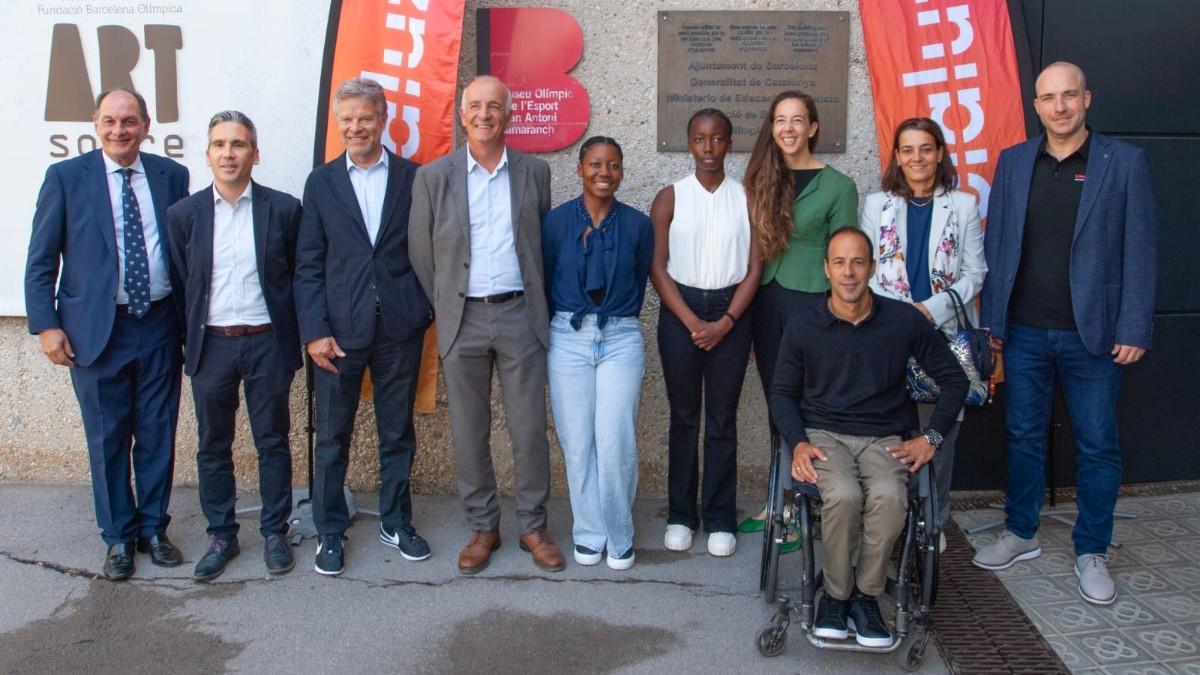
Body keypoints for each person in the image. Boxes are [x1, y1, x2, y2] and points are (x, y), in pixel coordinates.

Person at [973, 62, 1158, 606]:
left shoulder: (1124, 163)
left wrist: (1134, 326)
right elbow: (999, 243)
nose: (1060, 107)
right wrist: (994, 320)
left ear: (1087, 99)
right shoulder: (1014, 162)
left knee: (1097, 444)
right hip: (1024, 331)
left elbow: (1141, 249)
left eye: (1069, 95)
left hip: (1093, 336)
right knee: (1022, 435)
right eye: (1049, 98)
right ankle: (1021, 532)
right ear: (1036, 105)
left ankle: (1092, 549)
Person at [770, 227, 968, 647]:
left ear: (872, 268)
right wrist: (798, 441)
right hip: (824, 433)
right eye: (840, 263)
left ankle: (865, 597)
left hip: (884, 437)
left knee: (891, 498)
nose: (849, 272)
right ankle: (835, 598)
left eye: (858, 262)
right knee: (843, 496)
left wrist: (931, 437)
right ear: (826, 269)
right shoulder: (804, 324)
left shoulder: (903, 320)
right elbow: (782, 393)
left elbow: (955, 380)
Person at [25, 88, 189, 580]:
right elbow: (40, 260)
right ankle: (118, 536)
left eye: (130, 121)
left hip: (159, 323)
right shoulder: (65, 178)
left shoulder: (171, 175)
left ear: (146, 126)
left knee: (157, 433)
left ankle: (153, 529)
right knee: (107, 437)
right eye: (111, 121)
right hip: (96, 331)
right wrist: (47, 325)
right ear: (96, 124)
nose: (120, 130)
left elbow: (184, 251)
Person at [409, 75, 562, 574]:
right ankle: (483, 526)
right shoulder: (434, 177)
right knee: (468, 431)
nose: (484, 114)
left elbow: (540, 243)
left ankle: (533, 526)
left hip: (521, 314)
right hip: (463, 318)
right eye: (474, 106)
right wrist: (445, 306)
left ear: (508, 115)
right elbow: (421, 251)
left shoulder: (535, 172)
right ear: (461, 115)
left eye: (494, 106)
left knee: (529, 430)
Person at [294, 78, 432, 576]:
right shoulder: (321, 183)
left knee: (397, 433)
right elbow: (308, 264)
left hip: (400, 329)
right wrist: (314, 331)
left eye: (365, 118)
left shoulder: (414, 178)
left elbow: (430, 250)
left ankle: (396, 521)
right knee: (332, 437)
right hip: (337, 334)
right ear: (338, 123)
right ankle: (330, 530)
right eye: (347, 119)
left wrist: (423, 310)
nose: (356, 127)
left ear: (383, 119)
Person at [166, 111, 302, 581]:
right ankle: (222, 534)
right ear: (207, 155)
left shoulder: (283, 209)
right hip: (212, 345)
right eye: (220, 145)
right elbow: (181, 284)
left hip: (267, 342)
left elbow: (296, 278)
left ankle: (275, 532)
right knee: (213, 444)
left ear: (255, 154)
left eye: (239, 144)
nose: (229, 153)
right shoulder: (184, 215)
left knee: (272, 441)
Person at [739, 91, 858, 535]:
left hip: (813, 305)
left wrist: (842, 315)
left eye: (797, 120)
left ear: (813, 127)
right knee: (778, 400)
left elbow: (846, 258)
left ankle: (803, 503)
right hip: (766, 303)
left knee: (809, 403)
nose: (788, 128)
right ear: (772, 128)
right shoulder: (760, 178)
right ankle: (778, 499)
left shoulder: (839, 186)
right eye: (780, 120)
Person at [861, 117, 986, 539]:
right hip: (887, 334)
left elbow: (975, 274)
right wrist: (902, 316)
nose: (917, 158)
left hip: (941, 334)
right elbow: (866, 267)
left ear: (939, 154)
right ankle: (892, 521)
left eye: (926, 148)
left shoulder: (963, 205)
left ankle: (933, 524)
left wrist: (928, 311)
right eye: (908, 149)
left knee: (938, 433)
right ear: (897, 156)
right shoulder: (876, 204)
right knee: (891, 431)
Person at [650, 108, 761, 557]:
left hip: (732, 311)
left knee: (721, 418)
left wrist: (727, 321)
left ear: (729, 144)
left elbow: (755, 268)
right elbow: (657, 268)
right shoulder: (670, 197)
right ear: (689, 143)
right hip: (681, 311)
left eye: (717, 139)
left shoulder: (747, 197)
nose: (708, 148)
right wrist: (693, 321)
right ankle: (681, 515)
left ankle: (719, 518)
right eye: (700, 138)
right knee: (683, 417)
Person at [542, 136, 654, 570]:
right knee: (577, 442)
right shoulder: (554, 223)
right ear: (580, 169)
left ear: (621, 171)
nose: (604, 173)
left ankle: (619, 534)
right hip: (568, 336)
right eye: (595, 164)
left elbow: (638, 281)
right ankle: (589, 533)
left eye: (613, 165)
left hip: (620, 336)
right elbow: (547, 277)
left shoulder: (638, 225)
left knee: (614, 441)